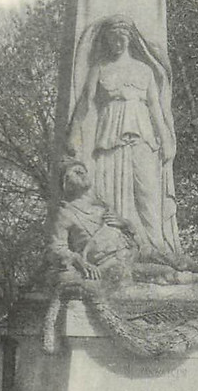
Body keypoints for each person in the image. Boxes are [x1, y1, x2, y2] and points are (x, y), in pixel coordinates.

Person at [66, 14, 179, 258]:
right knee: (110, 196)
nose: (117, 43)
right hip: (109, 137)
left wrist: (167, 139)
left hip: (143, 138)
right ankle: (118, 250)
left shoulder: (145, 70)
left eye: (121, 38)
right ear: (106, 40)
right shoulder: (100, 68)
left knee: (148, 193)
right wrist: (74, 133)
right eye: (112, 38)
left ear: (129, 40)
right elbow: (85, 103)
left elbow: (156, 108)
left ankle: (156, 248)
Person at [49, 158, 137, 282]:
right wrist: (79, 261)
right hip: (107, 264)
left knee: (171, 273)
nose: (82, 174)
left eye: (83, 171)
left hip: (130, 256)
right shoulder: (65, 213)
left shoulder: (102, 205)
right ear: (65, 184)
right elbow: (57, 248)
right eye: (75, 172)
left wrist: (124, 224)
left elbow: (132, 237)